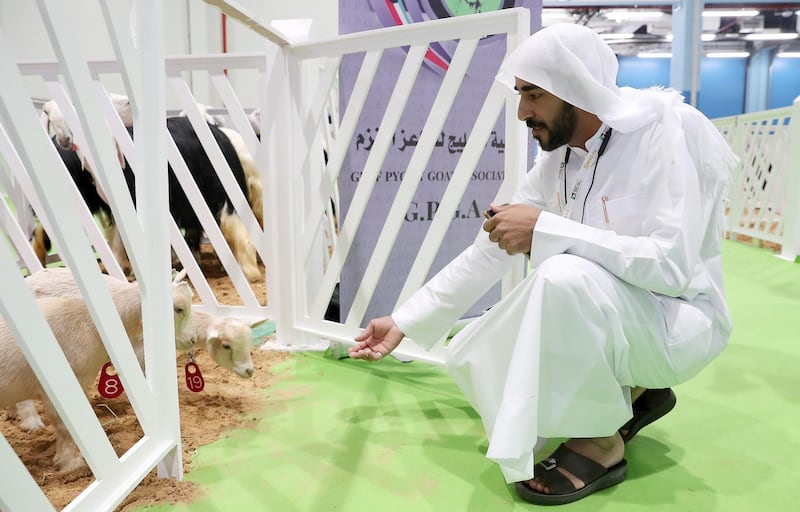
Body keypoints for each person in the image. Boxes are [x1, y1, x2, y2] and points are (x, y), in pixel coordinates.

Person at [349, 23, 737, 506]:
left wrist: (548, 231)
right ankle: (634, 389)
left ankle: (602, 442)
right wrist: (404, 320)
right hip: (628, 321)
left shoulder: (664, 132)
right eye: (519, 95)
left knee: (561, 277)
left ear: (577, 89)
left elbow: (671, 268)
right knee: (474, 347)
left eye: (533, 95)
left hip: (681, 322)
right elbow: (490, 248)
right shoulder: (559, 162)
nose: (521, 112)